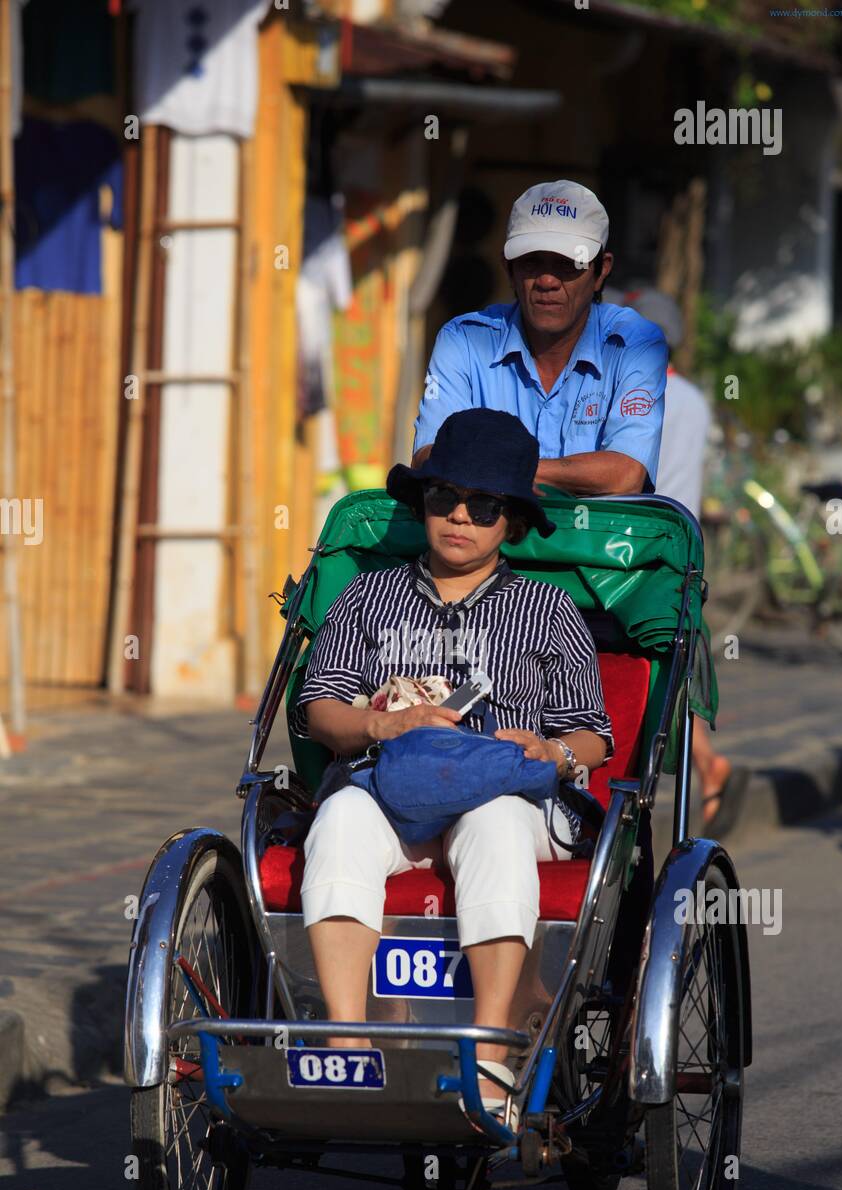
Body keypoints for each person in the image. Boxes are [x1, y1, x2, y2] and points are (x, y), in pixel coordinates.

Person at [290, 409, 613, 1112]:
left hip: (510, 797)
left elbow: (593, 733)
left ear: (514, 523)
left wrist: (550, 749)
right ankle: (349, 1050)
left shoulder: (550, 609)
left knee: (494, 822)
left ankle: (491, 1058)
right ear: (422, 504)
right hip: (387, 788)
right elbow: (320, 707)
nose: (460, 517)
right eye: (443, 499)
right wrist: (384, 721)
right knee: (340, 814)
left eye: (484, 506)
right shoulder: (367, 597)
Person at [412, 181, 668, 497]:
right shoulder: (461, 340)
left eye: (568, 264)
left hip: (593, 545)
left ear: (601, 271)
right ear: (509, 269)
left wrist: (491, 469)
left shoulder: (634, 344)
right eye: (532, 261)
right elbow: (428, 458)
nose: (547, 280)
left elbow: (625, 475)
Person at [625, 287, 749, 836]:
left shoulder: (630, 395)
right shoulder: (696, 399)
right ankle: (706, 764)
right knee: (672, 667)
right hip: (682, 550)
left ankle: (695, 766)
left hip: (635, 548)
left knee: (647, 673)